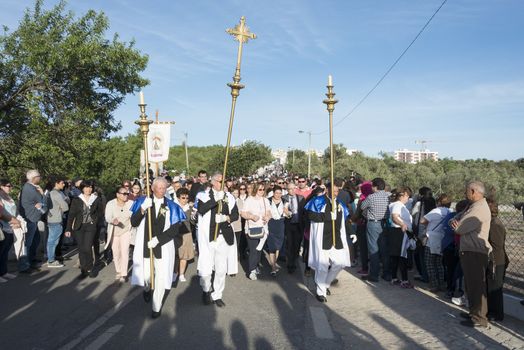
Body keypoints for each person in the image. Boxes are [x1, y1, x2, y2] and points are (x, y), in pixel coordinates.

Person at [130, 177, 187, 318]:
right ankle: (147, 287)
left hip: (164, 246)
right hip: (145, 245)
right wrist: (142, 209)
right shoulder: (142, 202)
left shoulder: (172, 206)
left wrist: (158, 240)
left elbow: (175, 229)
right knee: (147, 276)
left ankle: (156, 306)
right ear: (153, 188)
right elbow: (134, 222)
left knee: (161, 277)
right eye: (159, 188)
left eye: (164, 188)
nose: (161, 190)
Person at [450, 181, 492, 328]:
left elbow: (460, 228)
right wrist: (457, 223)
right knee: (471, 285)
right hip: (470, 250)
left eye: (466, 190)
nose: (464, 193)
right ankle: (473, 312)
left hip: (475, 251)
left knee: (476, 286)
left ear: (474, 191)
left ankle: (479, 318)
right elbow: (454, 221)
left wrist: (458, 225)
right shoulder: (473, 206)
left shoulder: (479, 208)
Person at [305, 183, 355, 302]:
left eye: (337, 191)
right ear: (327, 190)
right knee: (322, 266)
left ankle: (326, 283)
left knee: (340, 263)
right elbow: (310, 215)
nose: (335, 193)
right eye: (333, 191)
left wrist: (351, 232)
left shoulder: (340, 204)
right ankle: (320, 291)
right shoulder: (317, 201)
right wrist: (326, 216)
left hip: (337, 238)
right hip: (322, 238)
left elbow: (346, 220)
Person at [196, 173, 239, 307]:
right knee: (207, 267)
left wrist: (226, 218)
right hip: (208, 237)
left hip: (223, 236)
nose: (222, 183)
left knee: (221, 269)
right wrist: (215, 200)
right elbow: (201, 210)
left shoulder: (229, 197)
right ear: (213, 182)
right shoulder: (203, 195)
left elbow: (235, 214)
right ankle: (206, 290)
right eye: (220, 181)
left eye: (224, 181)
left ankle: (217, 294)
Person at [65, 180, 104, 279]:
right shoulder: (77, 199)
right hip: (79, 226)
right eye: (86, 187)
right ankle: (83, 269)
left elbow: (100, 212)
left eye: (90, 187)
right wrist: (68, 228)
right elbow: (71, 215)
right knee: (81, 248)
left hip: (90, 226)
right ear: (82, 188)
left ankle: (90, 267)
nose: (88, 189)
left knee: (87, 247)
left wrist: (95, 220)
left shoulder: (96, 199)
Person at [420, 194, 452, 292]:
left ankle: (434, 285)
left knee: (430, 263)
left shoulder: (436, 211)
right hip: (443, 239)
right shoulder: (450, 212)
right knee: (439, 263)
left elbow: (422, 221)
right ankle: (442, 284)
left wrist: (429, 224)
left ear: (438, 202)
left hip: (432, 238)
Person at [360, 178, 390, 282]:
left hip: (373, 223)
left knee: (373, 250)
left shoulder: (371, 197)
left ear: (376, 187)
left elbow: (362, 207)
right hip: (384, 224)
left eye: (372, 186)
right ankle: (386, 274)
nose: (371, 187)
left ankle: (374, 275)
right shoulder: (388, 197)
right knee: (384, 250)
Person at [241, 182, 271, 281]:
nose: (262, 191)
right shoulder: (249, 200)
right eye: (260, 189)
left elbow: (269, 212)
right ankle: (252, 271)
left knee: (259, 250)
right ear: (255, 190)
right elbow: (242, 213)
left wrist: (267, 217)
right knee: (253, 250)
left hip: (263, 229)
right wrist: (252, 216)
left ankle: (256, 265)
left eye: (263, 190)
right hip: (251, 229)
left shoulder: (265, 200)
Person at [486, 196, 509, 322]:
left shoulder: (495, 224)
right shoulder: (491, 222)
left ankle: (497, 314)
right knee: (491, 286)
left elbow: (497, 245)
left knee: (495, 288)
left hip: (496, 260)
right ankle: (491, 311)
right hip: (493, 260)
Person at [18, 169, 46, 273]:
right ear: (34, 178)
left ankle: (31, 260)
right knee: (28, 243)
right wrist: (42, 193)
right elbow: (42, 200)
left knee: (36, 240)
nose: (40, 178)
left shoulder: (30, 187)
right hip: (30, 218)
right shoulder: (30, 188)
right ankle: (25, 265)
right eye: (39, 176)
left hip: (32, 218)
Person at [105, 186, 134, 282]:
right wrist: (113, 220)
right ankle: (118, 271)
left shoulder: (131, 203)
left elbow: (134, 216)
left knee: (124, 252)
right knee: (116, 252)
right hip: (114, 232)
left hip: (126, 231)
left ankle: (124, 274)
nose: (126, 195)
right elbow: (107, 217)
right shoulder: (111, 203)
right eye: (124, 193)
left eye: (127, 193)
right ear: (117, 194)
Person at [387, 188, 414, 288]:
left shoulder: (395, 204)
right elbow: (395, 216)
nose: (408, 198)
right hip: (400, 232)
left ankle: (394, 278)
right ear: (403, 195)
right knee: (402, 257)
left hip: (396, 232)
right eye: (407, 196)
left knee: (395, 257)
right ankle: (404, 280)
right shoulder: (398, 205)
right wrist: (403, 224)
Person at [411, 187, 436, 283]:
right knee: (431, 256)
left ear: (421, 194)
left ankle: (424, 276)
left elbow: (413, 214)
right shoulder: (433, 203)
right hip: (432, 232)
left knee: (421, 255)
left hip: (421, 232)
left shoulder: (419, 203)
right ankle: (433, 277)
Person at [0, 180, 21, 282]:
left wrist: (16, 221)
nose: (10, 187)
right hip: (3, 227)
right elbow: (2, 214)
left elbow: (14, 210)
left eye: (10, 185)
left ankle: (4, 272)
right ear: (1, 186)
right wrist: (14, 221)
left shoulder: (8, 197)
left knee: (5, 251)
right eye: (8, 186)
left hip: (10, 227)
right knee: (1, 251)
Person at [46, 176, 69, 268]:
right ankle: (51, 260)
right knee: (53, 241)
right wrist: (64, 202)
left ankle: (51, 258)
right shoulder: (56, 194)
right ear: (56, 183)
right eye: (62, 183)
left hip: (51, 219)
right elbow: (66, 207)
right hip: (56, 219)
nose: (64, 184)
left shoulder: (50, 193)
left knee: (51, 240)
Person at [283, 183, 305, 274]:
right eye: (289, 189)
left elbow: (304, 212)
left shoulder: (300, 198)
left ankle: (294, 259)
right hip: (288, 224)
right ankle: (290, 264)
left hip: (298, 225)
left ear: (295, 189)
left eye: (293, 189)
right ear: (287, 189)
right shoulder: (283, 198)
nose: (291, 191)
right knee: (289, 244)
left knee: (296, 245)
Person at [351, 181, 372, 276]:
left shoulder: (362, 199)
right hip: (374, 224)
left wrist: (352, 220)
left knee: (363, 247)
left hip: (362, 225)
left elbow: (357, 213)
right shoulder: (374, 197)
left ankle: (365, 268)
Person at [267, 185, 289, 276]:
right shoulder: (267, 200)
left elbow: (287, 214)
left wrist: (287, 212)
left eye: (280, 193)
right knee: (272, 246)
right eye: (277, 193)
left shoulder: (285, 201)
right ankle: (273, 267)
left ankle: (274, 262)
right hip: (271, 224)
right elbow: (266, 212)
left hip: (280, 224)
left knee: (278, 246)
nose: (278, 195)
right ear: (273, 193)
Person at [174, 187, 194, 282]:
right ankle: (175, 272)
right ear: (178, 198)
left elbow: (193, 221)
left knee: (184, 255)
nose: (185, 200)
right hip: (174, 234)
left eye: (187, 198)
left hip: (186, 233)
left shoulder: (189, 208)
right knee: (175, 255)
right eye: (183, 198)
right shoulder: (173, 207)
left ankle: (181, 274)